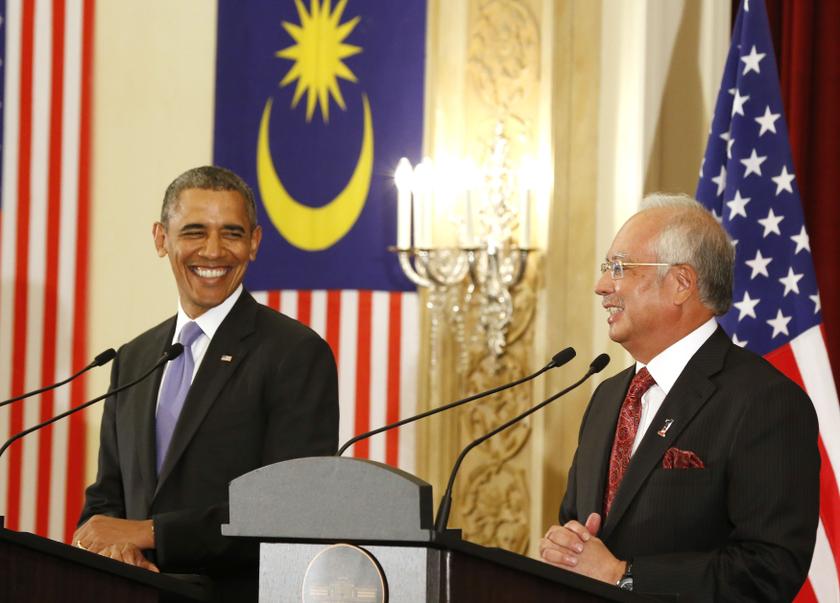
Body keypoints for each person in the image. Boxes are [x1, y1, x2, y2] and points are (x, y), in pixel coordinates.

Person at [74, 166, 339, 598]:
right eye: (195, 232)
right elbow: (108, 499)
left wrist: (150, 533)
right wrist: (120, 552)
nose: (213, 251)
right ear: (162, 239)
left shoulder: (294, 353)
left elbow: (293, 508)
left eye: (231, 234)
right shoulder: (134, 358)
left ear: (254, 243)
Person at [540, 194, 819, 601]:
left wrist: (625, 576)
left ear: (681, 284)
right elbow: (578, 525)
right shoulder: (607, 395)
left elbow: (769, 569)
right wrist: (564, 548)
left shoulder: (765, 402)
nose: (602, 287)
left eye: (619, 268)